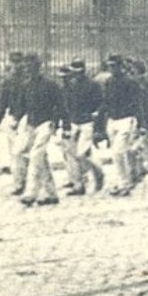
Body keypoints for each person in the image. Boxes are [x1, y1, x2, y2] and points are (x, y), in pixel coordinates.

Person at [18, 54, 65, 207]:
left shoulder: (50, 85)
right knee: (40, 158)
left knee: (35, 155)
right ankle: (51, 193)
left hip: (46, 123)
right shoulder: (26, 86)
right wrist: (16, 119)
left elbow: (61, 106)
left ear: (38, 67)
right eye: (26, 67)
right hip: (31, 124)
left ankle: (30, 192)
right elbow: (22, 106)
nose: (28, 70)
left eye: (31, 66)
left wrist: (62, 125)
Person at [100, 55, 143, 197]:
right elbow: (105, 103)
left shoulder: (130, 83)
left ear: (121, 66)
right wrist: (100, 124)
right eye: (110, 66)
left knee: (119, 152)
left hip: (126, 119)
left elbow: (138, 104)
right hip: (112, 120)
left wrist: (141, 123)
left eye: (115, 66)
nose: (112, 69)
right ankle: (127, 178)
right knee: (118, 153)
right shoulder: (108, 82)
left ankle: (125, 183)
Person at [60, 60, 104, 196]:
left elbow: (101, 103)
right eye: (75, 72)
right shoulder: (70, 87)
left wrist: (96, 116)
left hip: (87, 122)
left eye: (80, 72)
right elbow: (66, 107)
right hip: (74, 122)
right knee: (71, 155)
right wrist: (65, 124)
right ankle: (78, 184)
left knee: (82, 154)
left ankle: (98, 172)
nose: (77, 75)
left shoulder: (93, 85)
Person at [0, 52, 32, 196]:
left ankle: (25, 180)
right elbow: (3, 103)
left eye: (19, 62)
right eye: (14, 62)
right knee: (14, 153)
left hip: (26, 118)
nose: (16, 65)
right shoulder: (7, 81)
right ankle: (19, 182)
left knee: (21, 151)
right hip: (12, 118)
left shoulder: (28, 80)